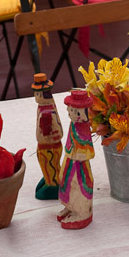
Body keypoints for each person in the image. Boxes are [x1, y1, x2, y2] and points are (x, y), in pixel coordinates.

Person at [58, 88, 95, 230]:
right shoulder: (73, 124)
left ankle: (82, 213)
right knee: (65, 183)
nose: (71, 114)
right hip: (69, 160)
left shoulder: (83, 127)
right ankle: (70, 207)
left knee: (78, 187)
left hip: (80, 166)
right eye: (70, 111)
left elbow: (89, 151)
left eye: (75, 112)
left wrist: (76, 155)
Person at [32, 73, 63, 201]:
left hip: (48, 147)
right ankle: (50, 179)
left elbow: (51, 134)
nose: (35, 97)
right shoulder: (45, 107)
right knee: (50, 166)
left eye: (37, 94)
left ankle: (53, 185)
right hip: (48, 146)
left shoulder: (46, 113)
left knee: (49, 165)